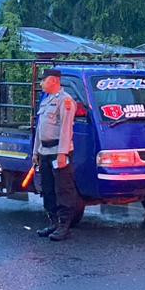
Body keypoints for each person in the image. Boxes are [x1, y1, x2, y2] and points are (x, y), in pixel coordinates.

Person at [32, 67, 84, 242]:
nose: (41, 83)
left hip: (58, 152)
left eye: (44, 80)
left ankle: (64, 226)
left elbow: (66, 129)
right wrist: (36, 151)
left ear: (53, 80)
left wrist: (62, 154)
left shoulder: (65, 101)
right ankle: (53, 222)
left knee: (63, 189)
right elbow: (40, 129)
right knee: (48, 189)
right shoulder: (46, 100)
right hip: (45, 151)